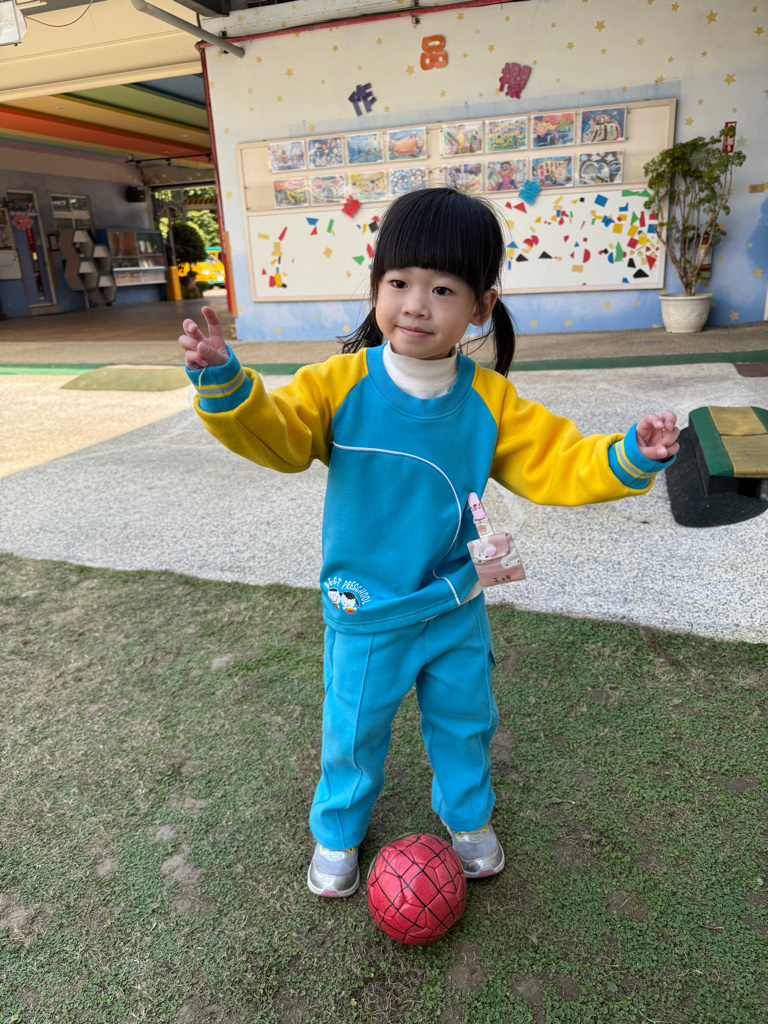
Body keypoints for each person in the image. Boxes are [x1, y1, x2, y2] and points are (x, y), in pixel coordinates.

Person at [178, 187, 680, 899]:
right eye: (399, 282)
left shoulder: (490, 400)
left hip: (453, 603)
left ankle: (468, 819)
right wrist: (226, 384)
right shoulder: (337, 384)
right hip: (366, 611)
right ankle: (338, 830)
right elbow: (281, 439)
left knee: (465, 721)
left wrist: (630, 453)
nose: (415, 305)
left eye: (442, 289)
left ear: (481, 306)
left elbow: (559, 460)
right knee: (354, 731)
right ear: (375, 288)